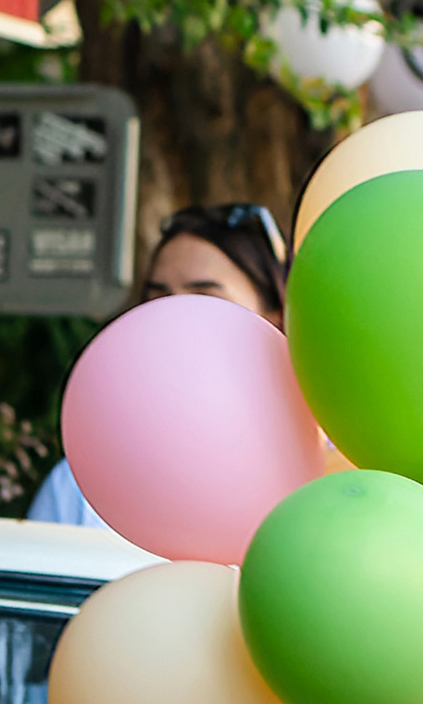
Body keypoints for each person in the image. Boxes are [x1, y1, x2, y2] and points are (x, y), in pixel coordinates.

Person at [27, 201, 290, 527]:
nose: (172, 316)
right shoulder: (80, 486)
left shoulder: (328, 461)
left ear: (275, 315)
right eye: (158, 298)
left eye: (203, 297)